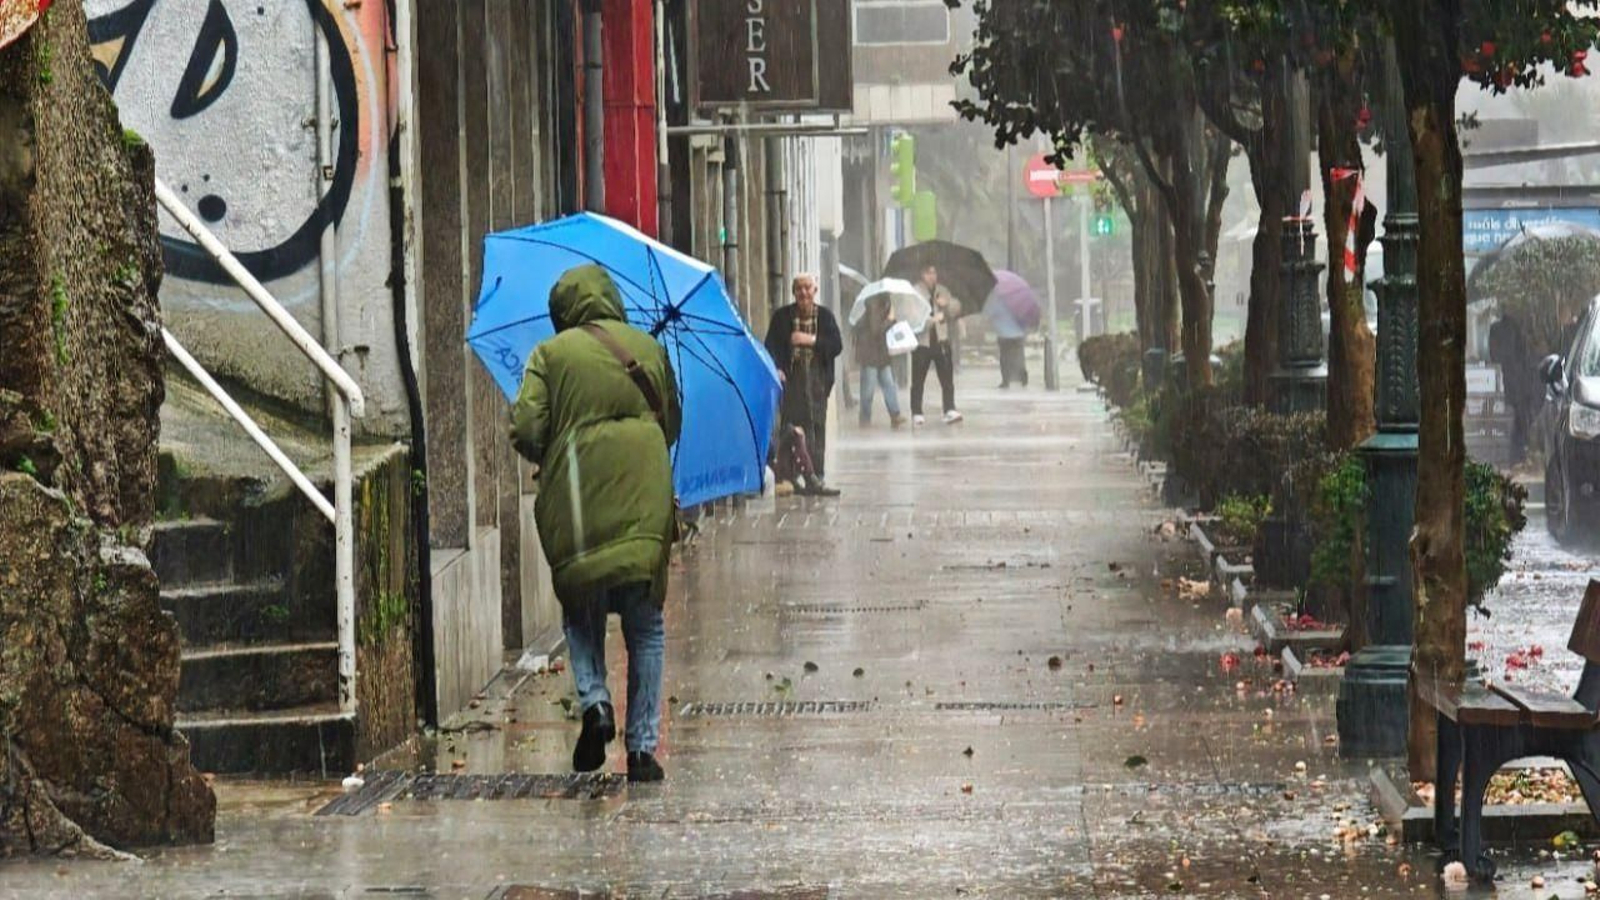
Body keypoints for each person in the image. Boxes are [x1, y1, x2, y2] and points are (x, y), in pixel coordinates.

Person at [510, 265, 682, 784]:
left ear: (562, 311)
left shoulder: (550, 355)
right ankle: (643, 752)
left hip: (578, 503)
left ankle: (596, 704)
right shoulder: (648, 349)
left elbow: (525, 428)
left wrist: (555, 449)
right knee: (645, 625)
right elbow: (670, 423)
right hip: (642, 499)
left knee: (581, 610)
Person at [764, 274, 844, 495]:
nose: (804, 293)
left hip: (817, 379)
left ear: (815, 290)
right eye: (799, 288)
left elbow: (836, 345)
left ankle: (816, 476)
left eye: (808, 288)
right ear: (793, 292)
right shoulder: (782, 318)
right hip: (792, 379)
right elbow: (770, 346)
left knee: (817, 427)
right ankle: (792, 476)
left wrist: (810, 340)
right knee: (792, 428)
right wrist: (777, 368)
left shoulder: (825, 317)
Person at [911, 264, 963, 425]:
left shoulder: (942, 290)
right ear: (922, 274)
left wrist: (946, 303)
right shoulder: (915, 292)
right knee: (918, 379)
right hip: (923, 343)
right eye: (928, 273)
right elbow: (913, 318)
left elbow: (956, 309)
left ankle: (949, 409)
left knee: (947, 377)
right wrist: (931, 321)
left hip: (941, 340)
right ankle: (917, 412)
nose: (932, 276)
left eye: (934, 272)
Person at [1488, 308, 1538, 465]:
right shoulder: (1511, 328)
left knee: (1520, 417)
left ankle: (1518, 454)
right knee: (1520, 417)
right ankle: (1518, 454)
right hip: (1517, 380)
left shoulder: (1509, 328)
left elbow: (1496, 354)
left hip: (1516, 379)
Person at [854, 292, 906, 428]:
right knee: (868, 389)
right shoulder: (874, 304)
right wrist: (890, 319)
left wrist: (892, 319)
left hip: (882, 354)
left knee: (889, 384)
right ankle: (865, 418)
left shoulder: (886, 303)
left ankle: (895, 414)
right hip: (869, 354)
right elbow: (875, 330)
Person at [985, 295, 1029, 389]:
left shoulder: (998, 304)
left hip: (1004, 335)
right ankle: (1023, 378)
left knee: (1005, 359)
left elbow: (989, 317)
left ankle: (1006, 381)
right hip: (1018, 335)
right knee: (1019, 357)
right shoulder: (1018, 305)